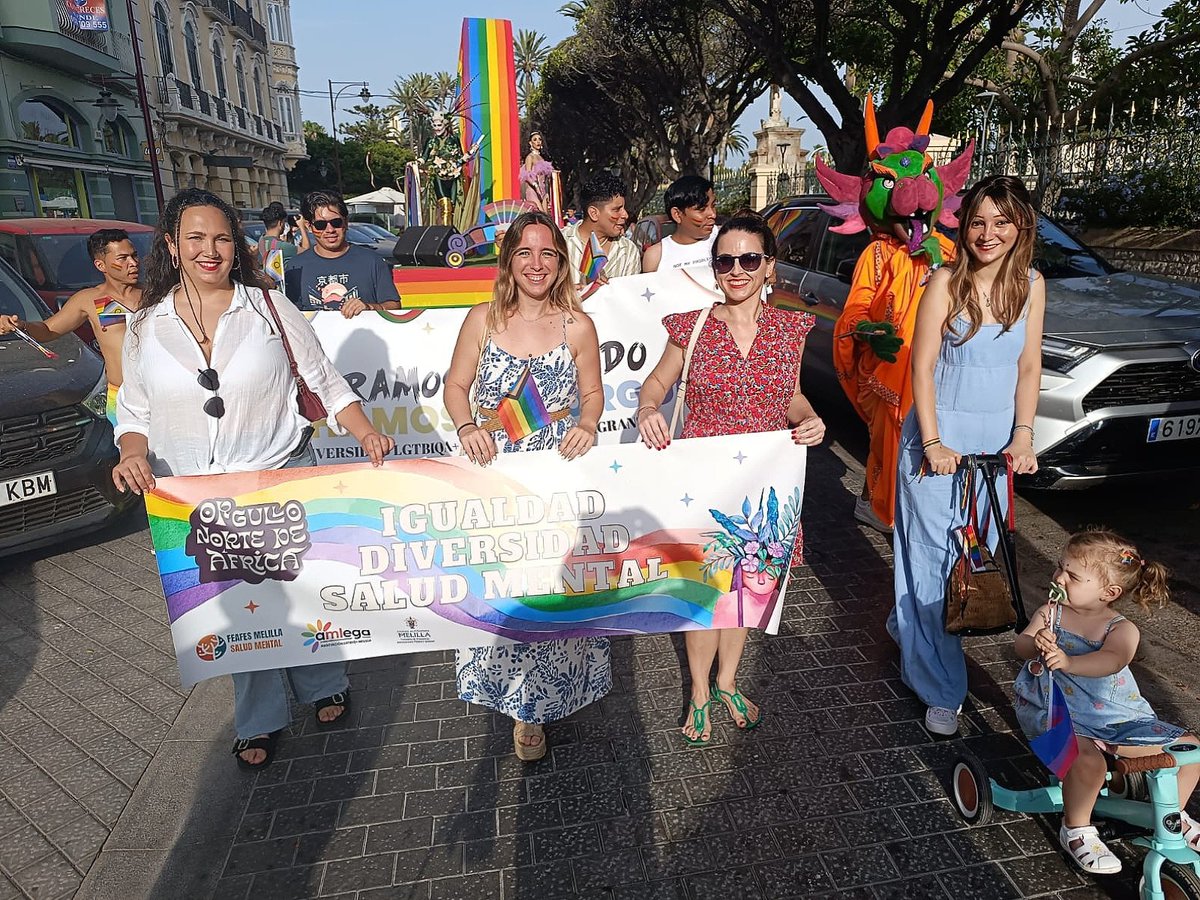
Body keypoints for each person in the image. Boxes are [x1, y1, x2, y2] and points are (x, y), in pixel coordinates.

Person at [110, 188, 396, 771]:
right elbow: (133, 413)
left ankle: (323, 682)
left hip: (277, 475)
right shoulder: (145, 327)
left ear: (235, 246)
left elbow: (326, 379)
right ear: (171, 245)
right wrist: (130, 454)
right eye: (195, 238)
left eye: (220, 238)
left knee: (298, 592)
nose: (209, 250)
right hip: (192, 492)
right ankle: (259, 716)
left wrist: (366, 432)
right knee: (233, 611)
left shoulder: (268, 307)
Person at [636, 212, 826, 744]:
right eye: (726, 260)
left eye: (749, 259)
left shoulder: (791, 330)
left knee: (745, 593)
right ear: (715, 268)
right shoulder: (691, 326)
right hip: (706, 483)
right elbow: (654, 387)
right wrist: (649, 411)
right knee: (707, 595)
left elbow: (787, 396)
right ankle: (699, 691)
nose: (737, 270)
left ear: (769, 267)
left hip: (765, 488)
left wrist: (809, 419)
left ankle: (727, 681)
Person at [443, 210, 608, 762]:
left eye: (547, 254)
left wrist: (587, 424)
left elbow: (592, 394)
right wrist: (467, 427)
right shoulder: (482, 319)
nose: (536, 264)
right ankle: (517, 703)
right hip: (495, 473)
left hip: (559, 474)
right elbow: (456, 386)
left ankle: (542, 701)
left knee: (552, 584)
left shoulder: (577, 325)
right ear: (508, 261)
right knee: (504, 587)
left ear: (561, 262)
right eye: (524, 253)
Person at [889, 175, 1046, 737]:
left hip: (994, 447)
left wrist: (1023, 435)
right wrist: (932, 442)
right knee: (933, 564)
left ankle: (909, 627)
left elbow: (1030, 367)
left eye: (1001, 222)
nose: (988, 233)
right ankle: (939, 686)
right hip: (939, 439)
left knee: (974, 557)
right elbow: (922, 367)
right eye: (978, 221)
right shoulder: (944, 282)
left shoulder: (1030, 285)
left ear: (1020, 227)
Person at [1013, 529, 1199, 875]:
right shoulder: (1050, 613)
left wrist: (1070, 662)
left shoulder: (1121, 628)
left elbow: (1112, 661)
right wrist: (1035, 642)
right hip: (1057, 711)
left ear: (1108, 592)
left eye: (1072, 575)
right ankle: (1077, 827)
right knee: (1089, 763)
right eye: (1060, 567)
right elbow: (1020, 647)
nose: (1059, 577)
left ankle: (1172, 814)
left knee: (1190, 749)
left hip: (1117, 717)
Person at [0, 228, 140, 423]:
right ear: (101, 265)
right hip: (123, 399)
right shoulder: (91, 299)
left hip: (161, 395)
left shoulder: (154, 295)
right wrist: (20, 325)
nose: (133, 263)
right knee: (133, 454)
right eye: (122, 258)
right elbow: (48, 331)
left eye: (134, 255)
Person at [284, 189, 401, 317]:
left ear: (345, 222)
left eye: (336, 222)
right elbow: (288, 315)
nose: (330, 230)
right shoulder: (295, 267)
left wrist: (370, 307)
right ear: (309, 226)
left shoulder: (372, 261)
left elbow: (394, 306)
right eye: (320, 225)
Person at [562, 173, 641, 291]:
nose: (625, 215)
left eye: (623, 209)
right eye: (616, 210)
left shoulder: (628, 251)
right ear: (594, 213)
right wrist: (566, 296)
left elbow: (631, 299)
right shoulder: (559, 242)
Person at [641, 175, 718, 276]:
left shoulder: (725, 240)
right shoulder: (656, 256)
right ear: (677, 214)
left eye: (713, 206)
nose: (712, 214)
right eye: (702, 209)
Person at [255, 201, 308, 289]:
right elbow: (306, 250)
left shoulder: (261, 240)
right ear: (280, 223)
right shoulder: (281, 246)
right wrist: (302, 227)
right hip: (283, 290)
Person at [520, 131, 554, 214]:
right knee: (540, 214)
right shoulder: (530, 157)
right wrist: (536, 186)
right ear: (530, 143)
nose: (538, 141)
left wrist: (546, 192)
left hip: (543, 192)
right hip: (533, 190)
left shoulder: (542, 158)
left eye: (540, 139)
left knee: (546, 217)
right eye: (535, 140)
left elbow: (545, 179)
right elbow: (527, 175)